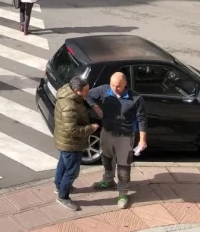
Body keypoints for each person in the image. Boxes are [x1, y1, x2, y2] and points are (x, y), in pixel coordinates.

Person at [87, 72, 147, 209]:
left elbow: (141, 119)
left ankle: (123, 193)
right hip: (107, 132)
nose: (115, 89)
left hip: (125, 136)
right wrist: (96, 108)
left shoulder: (136, 98)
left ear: (125, 84)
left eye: (118, 86)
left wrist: (142, 140)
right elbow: (88, 95)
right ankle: (108, 180)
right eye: (113, 85)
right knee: (106, 158)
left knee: (123, 166)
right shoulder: (104, 90)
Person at [53, 77, 99, 211]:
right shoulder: (69, 106)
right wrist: (91, 128)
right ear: (77, 91)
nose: (88, 92)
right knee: (72, 172)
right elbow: (72, 130)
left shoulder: (67, 98)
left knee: (63, 163)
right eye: (86, 91)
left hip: (64, 141)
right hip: (71, 143)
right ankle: (63, 196)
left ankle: (59, 186)